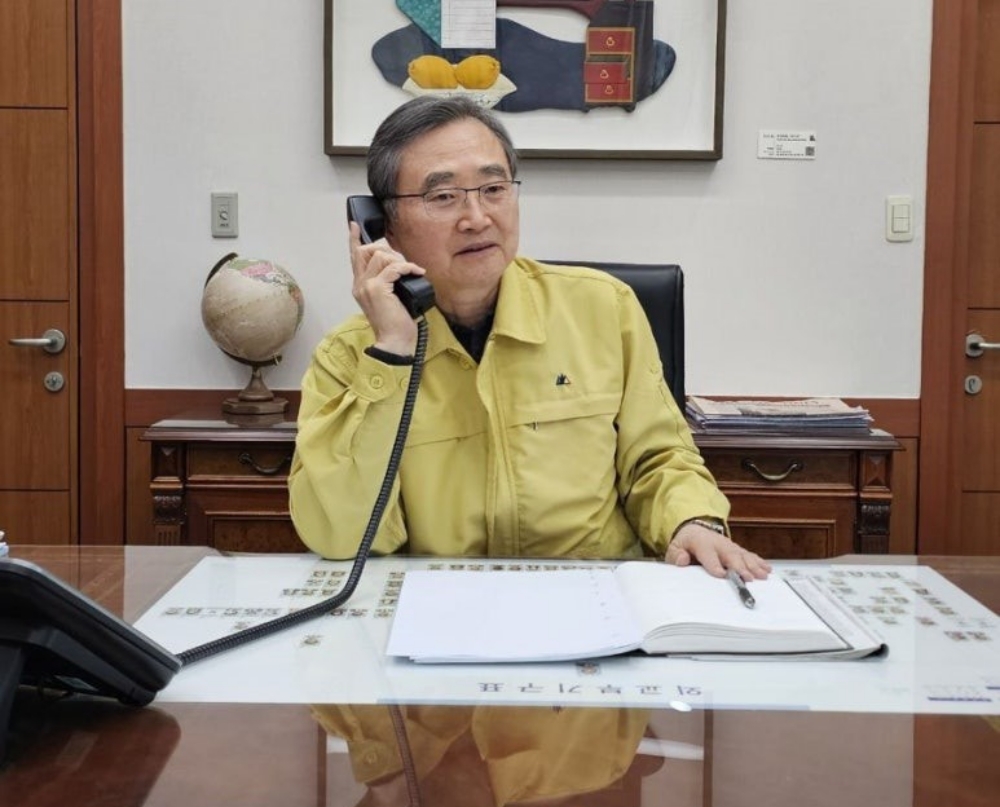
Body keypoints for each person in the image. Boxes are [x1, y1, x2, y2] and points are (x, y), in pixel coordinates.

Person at [289, 95, 769, 581]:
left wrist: (692, 521)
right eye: (443, 196)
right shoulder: (350, 356)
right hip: (441, 602)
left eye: (494, 188)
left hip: (592, 592)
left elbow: (660, 459)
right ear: (382, 227)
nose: (477, 218)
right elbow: (342, 535)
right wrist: (391, 353)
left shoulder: (604, 308)